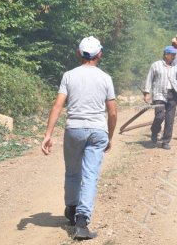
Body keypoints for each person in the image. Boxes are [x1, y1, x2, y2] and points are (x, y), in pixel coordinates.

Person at [41, 36, 117, 240]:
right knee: (90, 175)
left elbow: (58, 106)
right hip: (97, 131)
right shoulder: (106, 78)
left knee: (73, 173)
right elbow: (112, 112)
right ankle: (82, 223)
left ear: (79, 54)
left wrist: (48, 134)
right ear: (99, 54)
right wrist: (109, 136)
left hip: (74, 129)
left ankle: (71, 209)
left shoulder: (69, 76)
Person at [143, 45, 177, 149]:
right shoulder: (156, 65)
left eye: (174, 54)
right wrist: (147, 93)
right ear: (166, 54)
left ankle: (166, 141)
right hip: (159, 94)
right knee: (159, 116)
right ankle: (154, 133)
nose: (174, 56)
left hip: (172, 94)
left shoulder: (176, 67)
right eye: (172, 54)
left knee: (170, 119)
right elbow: (149, 79)